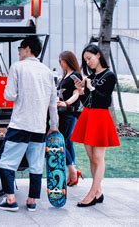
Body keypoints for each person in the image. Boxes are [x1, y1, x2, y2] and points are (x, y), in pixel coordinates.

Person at [0, 36, 58, 212]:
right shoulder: (47, 72)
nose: (19, 51)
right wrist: (54, 126)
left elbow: (9, 95)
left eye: (20, 48)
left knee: (7, 162)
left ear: (28, 49)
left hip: (20, 124)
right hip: (39, 126)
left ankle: (10, 200)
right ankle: (31, 201)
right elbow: (53, 103)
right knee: (36, 164)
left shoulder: (17, 67)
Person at [71, 44, 120, 207]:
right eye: (85, 60)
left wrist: (91, 88)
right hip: (88, 116)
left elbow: (105, 101)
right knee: (91, 158)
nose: (88, 62)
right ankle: (98, 192)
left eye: (90, 58)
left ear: (98, 55)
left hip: (100, 117)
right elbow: (87, 103)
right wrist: (82, 91)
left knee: (98, 158)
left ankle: (92, 193)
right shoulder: (90, 77)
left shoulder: (109, 75)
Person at [57, 51, 83, 186]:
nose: (60, 63)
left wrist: (66, 103)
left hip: (69, 113)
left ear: (67, 60)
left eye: (61, 60)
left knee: (61, 142)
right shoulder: (64, 76)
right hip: (61, 113)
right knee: (68, 142)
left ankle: (72, 170)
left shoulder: (75, 76)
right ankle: (74, 170)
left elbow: (77, 93)